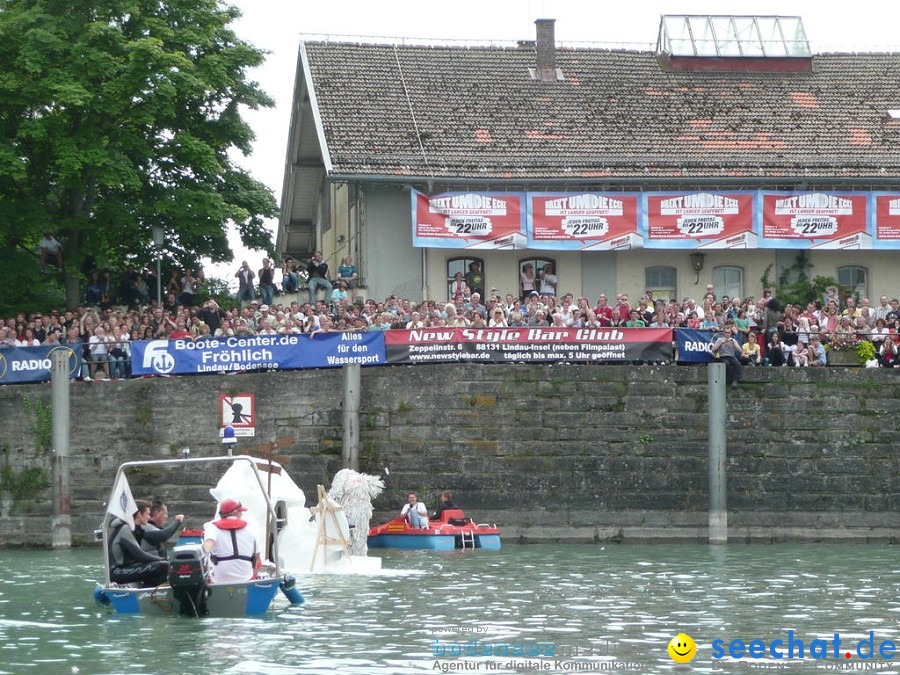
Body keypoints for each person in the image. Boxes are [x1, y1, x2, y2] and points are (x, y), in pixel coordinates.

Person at [108, 500, 169, 587]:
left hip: (126, 568)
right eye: (147, 514)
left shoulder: (135, 529)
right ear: (139, 514)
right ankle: (155, 592)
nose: (149, 517)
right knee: (164, 565)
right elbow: (139, 555)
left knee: (161, 564)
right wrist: (162, 560)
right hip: (117, 571)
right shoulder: (125, 528)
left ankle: (153, 587)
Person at [202, 498, 260, 584]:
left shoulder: (213, 527)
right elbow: (257, 557)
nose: (242, 514)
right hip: (245, 577)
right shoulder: (250, 528)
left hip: (220, 578)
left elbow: (208, 545)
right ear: (234, 512)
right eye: (240, 512)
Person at [710, 321, 743, 387]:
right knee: (726, 364)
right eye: (726, 333)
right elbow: (713, 349)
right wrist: (721, 343)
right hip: (723, 356)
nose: (727, 334)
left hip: (731, 356)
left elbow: (740, 350)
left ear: (731, 333)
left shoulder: (733, 340)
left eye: (729, 333)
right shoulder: (720, 339)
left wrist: (735, 344)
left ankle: (735, 381)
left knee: (738, 364)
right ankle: (728, 379)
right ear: (723, 333)